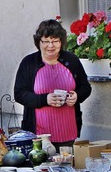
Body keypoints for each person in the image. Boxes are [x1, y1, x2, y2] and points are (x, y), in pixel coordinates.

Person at [14, 19, 92, 150]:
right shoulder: (29, 63)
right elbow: (19, 94)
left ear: (61, 42)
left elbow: (86, 88)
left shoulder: (71, 61)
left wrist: (77, 96)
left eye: (55, 41)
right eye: (46, 41)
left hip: (67, 133)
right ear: (39, 42)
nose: (50, 45)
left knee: (65, 167)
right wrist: (45, 99)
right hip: (38, 137)